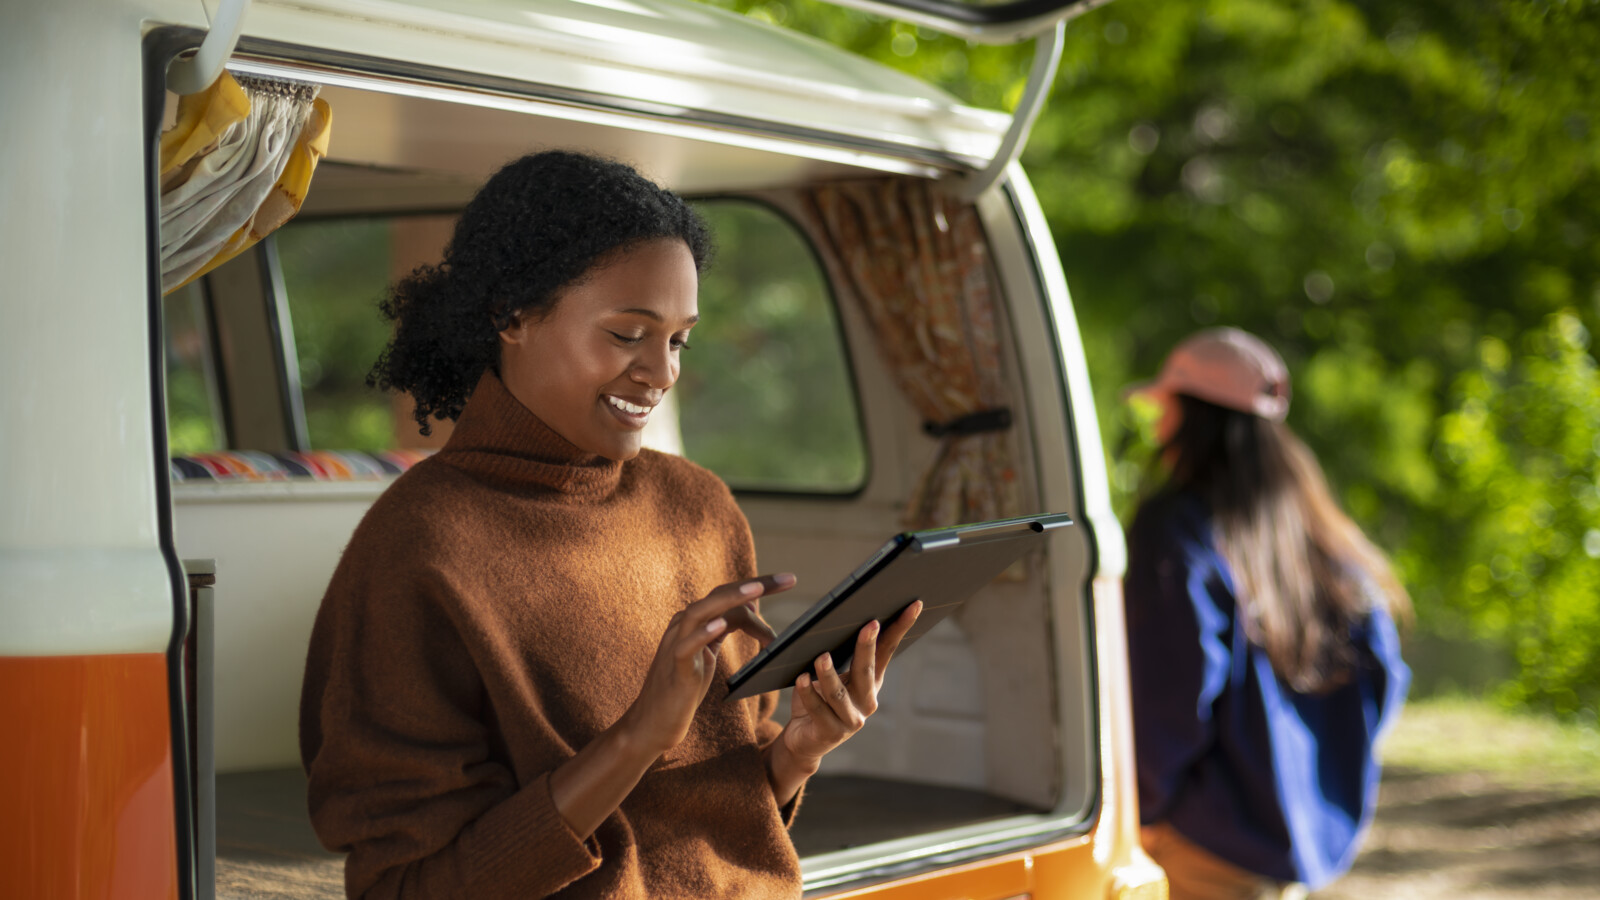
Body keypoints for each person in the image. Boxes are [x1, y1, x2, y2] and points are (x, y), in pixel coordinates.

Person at [298, 150, 921, 899]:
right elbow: (411, 889)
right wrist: (636, 739)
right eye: (629, 334)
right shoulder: (419, 548)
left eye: (679, 340)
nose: (662, 372)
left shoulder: (698, 507)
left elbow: (714, 823)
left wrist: (798, 751)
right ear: (512, 315)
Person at [1121, 327, 1411, 900]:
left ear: (1189, 413)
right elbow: (1383, 680)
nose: (1156, 426)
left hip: (1198, 855)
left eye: (1165, 407)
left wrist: (1141, 808)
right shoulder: (1327, 538)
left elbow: (1171, 697)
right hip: (1288, 858)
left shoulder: (1177, 530)